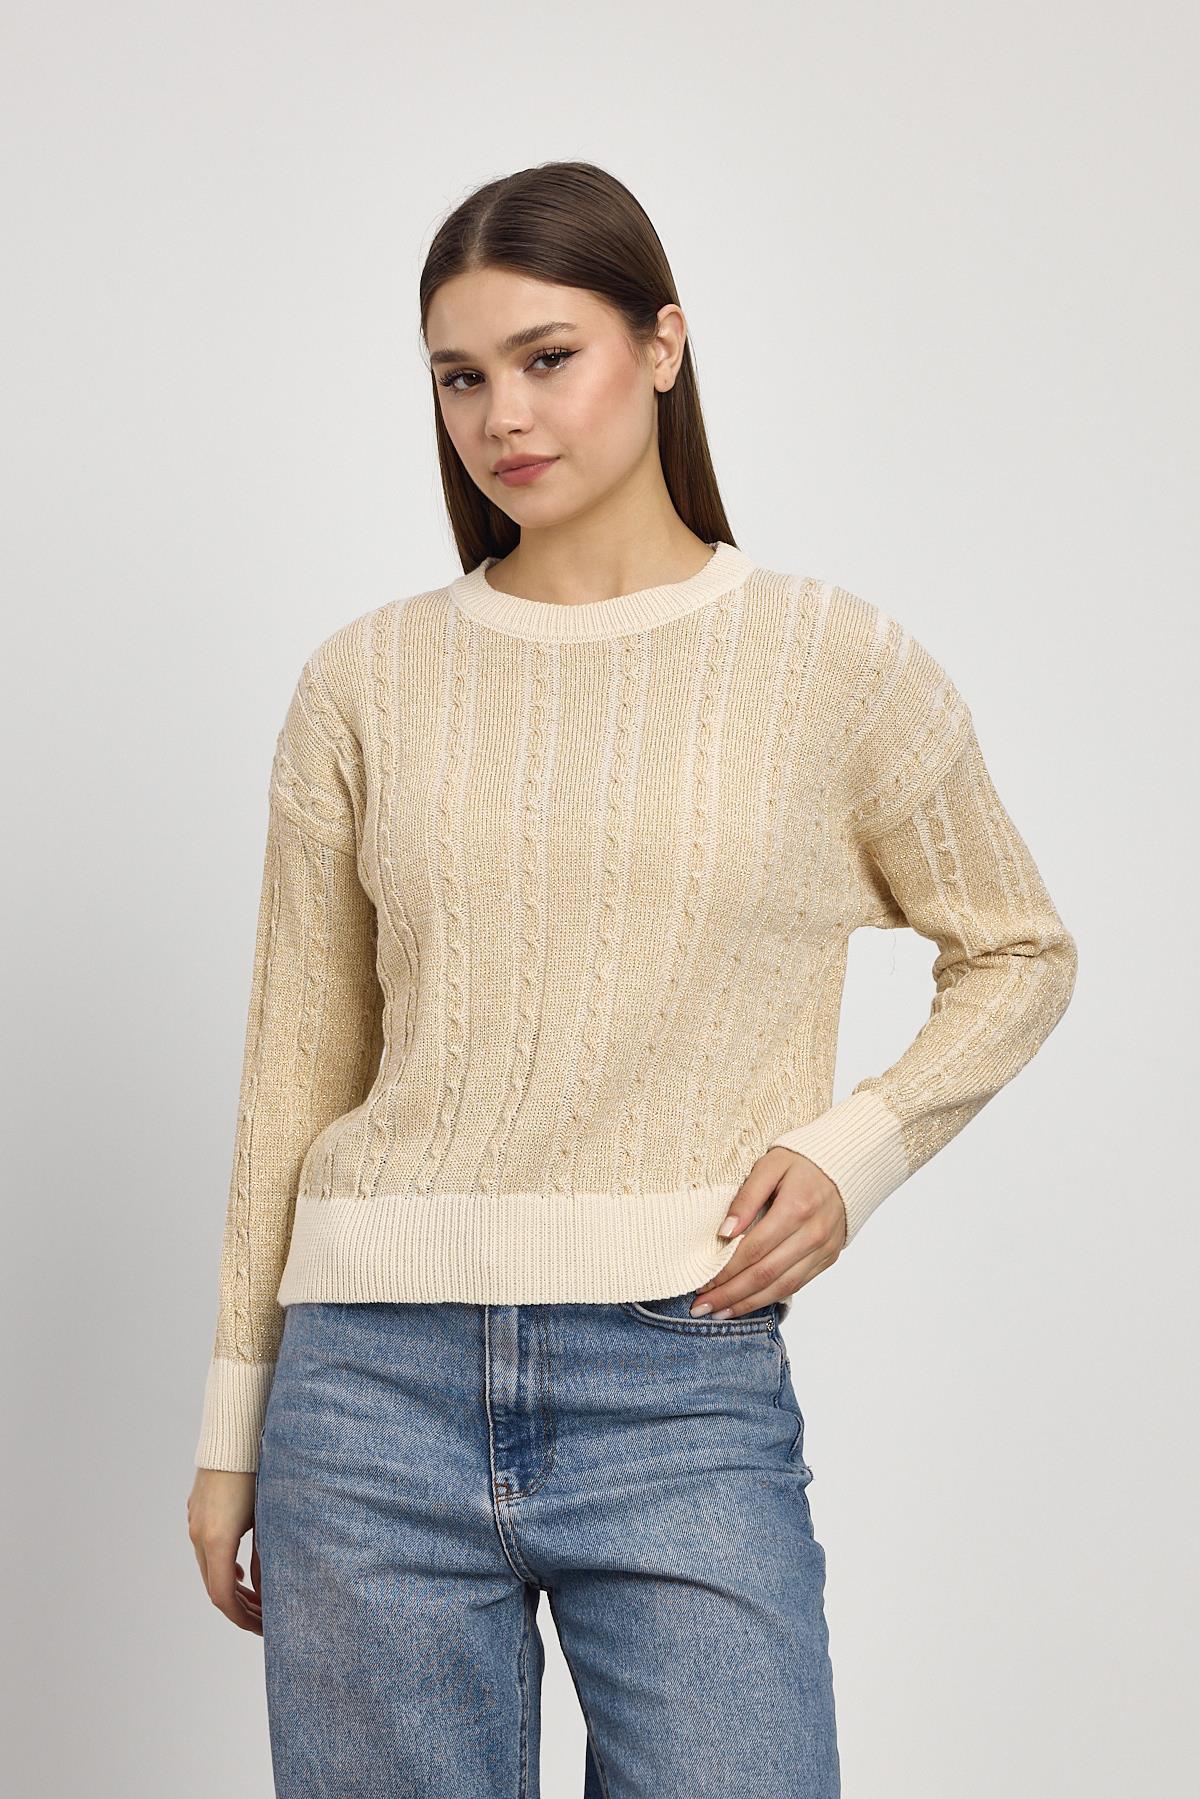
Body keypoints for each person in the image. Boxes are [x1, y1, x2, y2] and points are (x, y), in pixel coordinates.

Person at [186, 159, 1077, 1798]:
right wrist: (233, 1427)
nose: (503, 416)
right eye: (461, 377)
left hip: (681, 1378)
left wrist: (856, 1148)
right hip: (364, 1396)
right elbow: (297, 1067)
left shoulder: (833, 665)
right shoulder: (367, 682)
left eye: (549, 358)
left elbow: (1017, 947)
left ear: (663, 345)